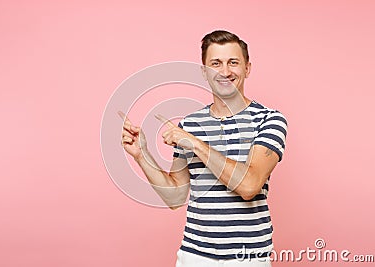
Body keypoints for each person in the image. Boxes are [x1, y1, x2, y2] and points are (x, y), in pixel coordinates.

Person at [119, 30, 287, 267]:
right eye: (216, 63)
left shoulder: (269, 120)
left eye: (233, 62)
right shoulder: (189, 125)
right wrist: (141, 154)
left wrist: (196, 143)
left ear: (247, 68)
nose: (225, 71)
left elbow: (249, 185)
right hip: (195, 256)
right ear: (204, 72)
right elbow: (176, 197)